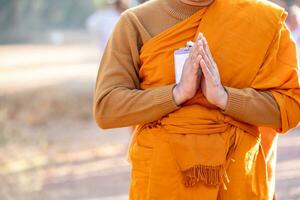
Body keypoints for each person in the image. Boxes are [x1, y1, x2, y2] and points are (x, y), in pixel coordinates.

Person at [93, 0, 300, 199]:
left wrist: (225, 97)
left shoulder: (262, 20)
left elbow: (291, 105)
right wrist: (176, 94)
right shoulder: (136, 22)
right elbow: (107, 107)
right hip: (163, 181)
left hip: (238, 180)